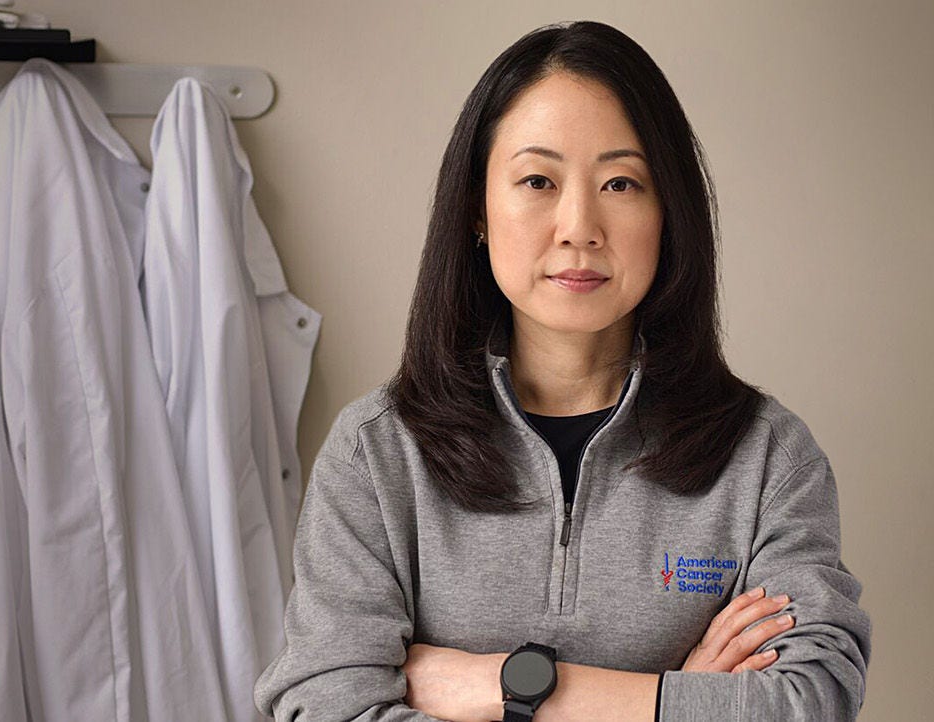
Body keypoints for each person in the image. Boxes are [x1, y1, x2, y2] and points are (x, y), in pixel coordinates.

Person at [252, 20, 871, 722]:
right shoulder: (376, 455)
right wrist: (681, 700)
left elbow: (811, 703)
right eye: (538, 179)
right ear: (477, 213)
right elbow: (324, 706)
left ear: (669, 212)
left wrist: (507, 686)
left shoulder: (768, 459)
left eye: (620, 182)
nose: (579, 225)